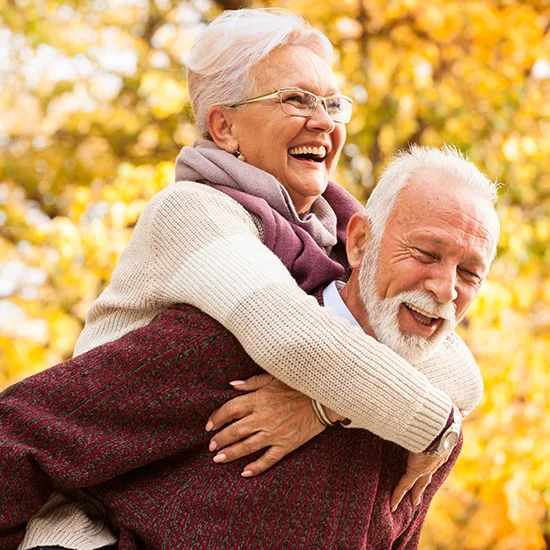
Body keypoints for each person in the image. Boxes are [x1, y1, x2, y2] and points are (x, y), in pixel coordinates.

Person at [11, 7, 482, 549]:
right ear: (225, 126)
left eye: (332, 103)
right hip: (102, 514)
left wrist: (322, 408)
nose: (325, 121)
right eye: (296, 100)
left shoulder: (328, 236)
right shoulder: (192, 212)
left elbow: (458, 371)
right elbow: (291, 337)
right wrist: (434, 426)